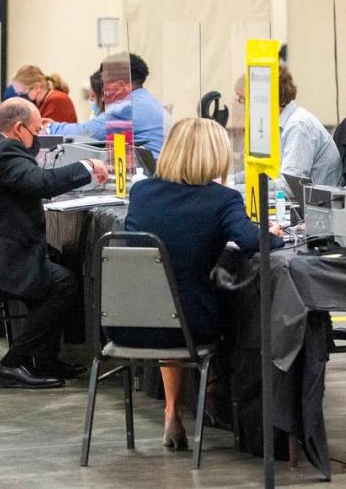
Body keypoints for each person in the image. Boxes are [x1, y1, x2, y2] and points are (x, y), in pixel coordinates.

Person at [112, 117, 284, 450]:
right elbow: (253, 242)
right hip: (190, 328)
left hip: (126, 323)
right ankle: (230, 414)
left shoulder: (141, 192)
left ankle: (172, 409)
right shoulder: (221, 199)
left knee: (165, 295)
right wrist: (272, 234)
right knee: (232, 310)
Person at [0, 98, 109, 389]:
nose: (40, 137)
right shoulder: (7, 151)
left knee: (56, 263)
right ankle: (13, 363)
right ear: (19, 129)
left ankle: (44, 359)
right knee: (62, 282)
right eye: (37, 129)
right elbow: (40, 183)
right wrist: (86, 166)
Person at [234, 67, 342, 195]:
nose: (246, 109)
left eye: (245, 100)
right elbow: (265, 174)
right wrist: (228, 182)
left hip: (313, 210)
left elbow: (288, 188)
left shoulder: (299, 125)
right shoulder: (279, 125)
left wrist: (234, 191)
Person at [47, 53, 171, 156]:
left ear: (121, 86)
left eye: (105, 83)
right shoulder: (147, 100)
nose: (102, 90)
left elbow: (86, 132)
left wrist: (49, 128)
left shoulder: (127, 109)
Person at [11, 65, 78, 123]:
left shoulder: (57, 100)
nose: (21, 97)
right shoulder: (43, 102)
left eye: (22, 93)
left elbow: (46, 133)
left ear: (37, 87)